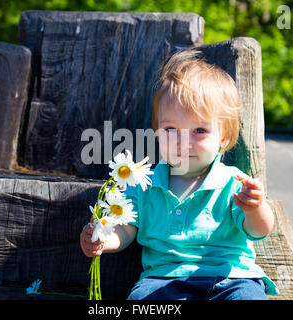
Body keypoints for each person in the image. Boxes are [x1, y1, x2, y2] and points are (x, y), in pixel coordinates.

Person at [80, 49, 279, 299]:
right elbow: (126, 229)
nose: (183, 141)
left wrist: (254, 207)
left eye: (199, 130)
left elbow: (259, 230)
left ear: (224, 137)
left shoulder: (232, 180)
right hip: (164, 280)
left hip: (232, 279)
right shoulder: (144, 183)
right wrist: (103, 240)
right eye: (171, 129)